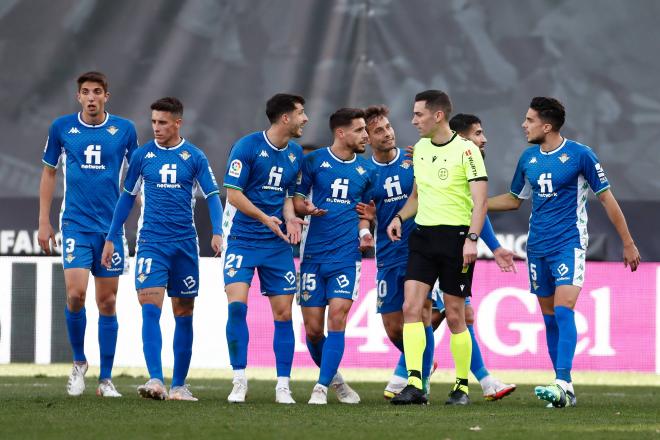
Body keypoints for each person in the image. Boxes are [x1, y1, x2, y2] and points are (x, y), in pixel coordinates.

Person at [488, 97, 640, 408]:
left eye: (529, 120)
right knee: (549, 318)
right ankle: (565, 390)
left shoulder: (580, 155)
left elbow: (608, 200)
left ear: (546, 126)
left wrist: (627, 242)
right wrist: (475, 203)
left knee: (563, 309)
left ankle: (561, 380)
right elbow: (515, 199)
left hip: (569, 243)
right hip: (537, 247)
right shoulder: (528, 158)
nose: (523, 125)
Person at [361, 108, 515, 401]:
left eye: (388, 127)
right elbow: (396, 204)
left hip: (436, 248)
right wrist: (372, 223)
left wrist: (487, 245)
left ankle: (467, 382)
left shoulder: (423, 158)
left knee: (453, 313)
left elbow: (474, 206)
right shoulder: (395, 163)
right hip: (394, 255)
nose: (390, 132)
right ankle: (414, 368)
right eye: (379, 130)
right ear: (367, 138)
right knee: (400, 324)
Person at [101, 97, 223, 401]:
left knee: (184, 313)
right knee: (150, 310)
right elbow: (127, 198)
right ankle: (155, 379)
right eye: (154, 121)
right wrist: (112, 236)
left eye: (163, 122)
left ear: (177, 123)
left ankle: (179, 385)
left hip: (184, 246)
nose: (156, 127)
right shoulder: (142, 156)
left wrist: (219, 231)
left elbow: (212, 196)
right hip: (151, 244)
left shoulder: (194, 157)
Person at [38, 71, 138, 397]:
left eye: (97, 91)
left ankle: (106, 379)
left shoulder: (124, 130)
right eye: (85, 92)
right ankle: (79, 362)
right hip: (76, 225)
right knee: (75, 295)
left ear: (107, 96)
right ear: (78, 96)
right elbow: (49, 173)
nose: (91, 97)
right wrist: (43, 220)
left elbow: (137, 176)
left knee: (107, 301)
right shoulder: (62, 128)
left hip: (111, 230)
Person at [387, 90, 488, 405]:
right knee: (411, 309)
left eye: (418, 114)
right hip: (422, 238)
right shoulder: (419, 150)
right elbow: (416, 197)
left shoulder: (467, 151)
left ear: (438, 115)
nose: (413, 120)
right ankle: (416, 383)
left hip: (456, 239)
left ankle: (461, 387)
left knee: (456, 314)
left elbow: (481, 201)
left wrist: (472, 239)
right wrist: (399, 218)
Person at [221, 93, 308, 404]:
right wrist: (263, 217)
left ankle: (282, 384)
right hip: (243, 240)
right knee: (237, 307)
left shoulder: (296, 153)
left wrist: (290, 217)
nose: (306, 119)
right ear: (285, 118)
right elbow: (232, 194)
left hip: (276, 244)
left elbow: (286, 193)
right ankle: (239, 379)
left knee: (284, 314)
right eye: (301, 113)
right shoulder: (246, 146)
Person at [293, 108, 376, 405]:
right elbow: (297, 199)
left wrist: (367, 229)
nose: (365, 135)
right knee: (313, 332)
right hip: (313, 256)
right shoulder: (313, 161)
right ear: (341, 133)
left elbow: (367, 212)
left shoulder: (368, 170)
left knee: (337, 319)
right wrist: (306, 209)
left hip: (346, 256)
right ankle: (338, 382)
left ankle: (320, 387)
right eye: (359, 130)